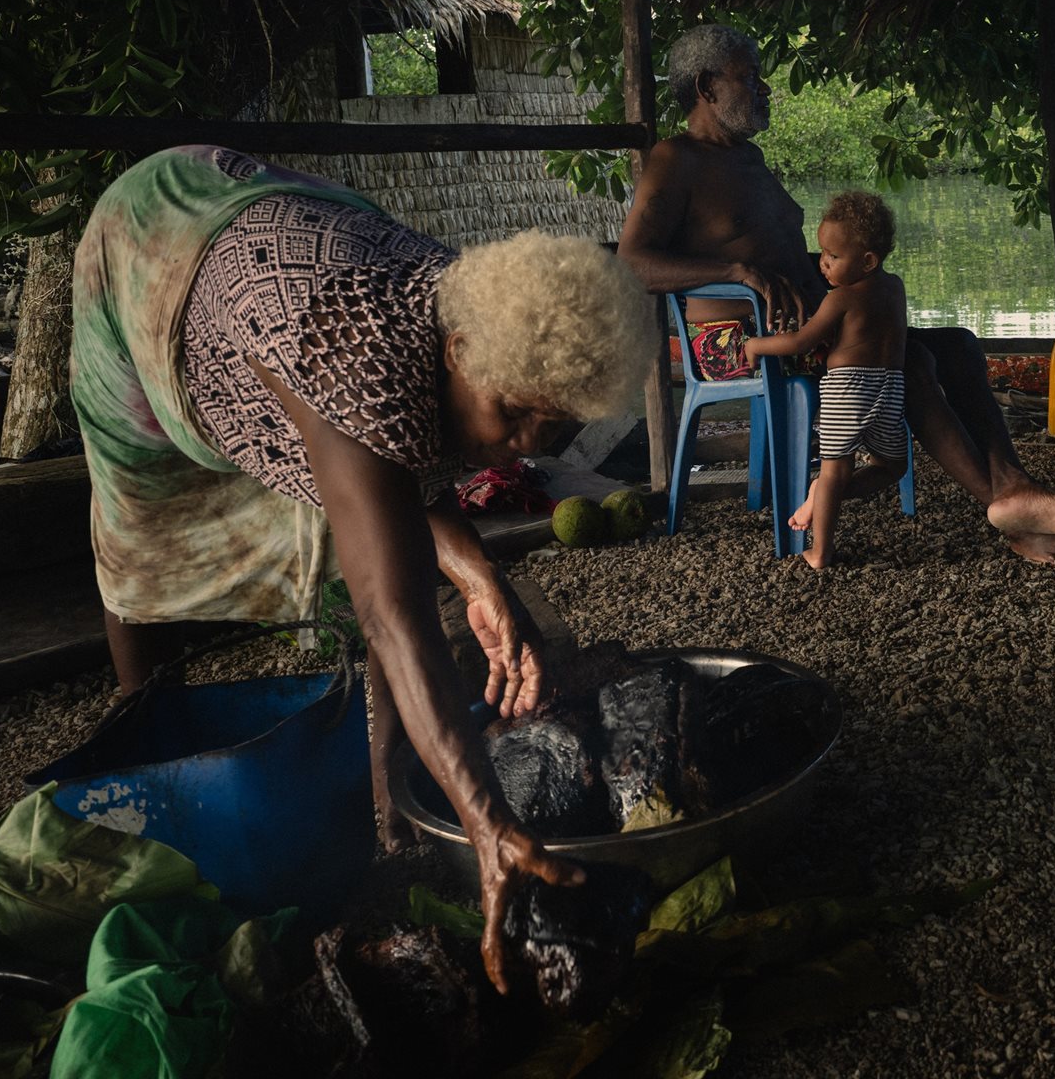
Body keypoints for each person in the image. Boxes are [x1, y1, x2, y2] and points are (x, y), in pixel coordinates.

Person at [70, 144, 658, 991]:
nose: (524, 446)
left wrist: (481, 579)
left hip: (287, 230)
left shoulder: (491, 322)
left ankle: (392, 808)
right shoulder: (361, 362)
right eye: (513, 415)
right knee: (140, 517)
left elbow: (411, 476)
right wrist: (487, 823)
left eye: (553, 426)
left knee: (385, 518)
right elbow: (392, 611)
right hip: (155, 236)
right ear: (456, 351)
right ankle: (139, 738)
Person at [619, 24, 1055, 564]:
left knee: (961, 345)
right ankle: (1006, 504)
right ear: (707, 86)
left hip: (810, 324)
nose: (766, 88)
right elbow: (633, 263)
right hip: (738, 338)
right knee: (909, 360)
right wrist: (737, 271)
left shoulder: (747, 159)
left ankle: (1016, 493)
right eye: (750, 76)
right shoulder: (675, 159)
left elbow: (780, 253)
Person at [740, 190, 907, 569]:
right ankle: (825, 493)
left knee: (833, 471)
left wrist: (757, 346)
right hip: (890, 386)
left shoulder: (840, 298)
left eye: (833, 256)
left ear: (867, 260)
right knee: (892, 465)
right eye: (823, 253)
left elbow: (803, 340)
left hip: (847, 388)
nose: (823, 264)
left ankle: (820, 548)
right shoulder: (895, 287)